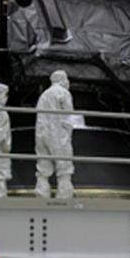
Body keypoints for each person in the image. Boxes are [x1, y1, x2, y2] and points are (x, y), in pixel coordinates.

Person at [34, 69, 74, 200]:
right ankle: (64, 197)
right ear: (62, 79)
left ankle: (41, 194)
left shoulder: (44, 95)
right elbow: (68, 116)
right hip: (58, 133)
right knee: (64, 167)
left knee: (43, 166)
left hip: (42, 134)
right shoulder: (64, 93)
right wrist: (68, 134)